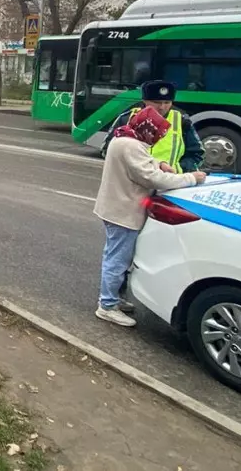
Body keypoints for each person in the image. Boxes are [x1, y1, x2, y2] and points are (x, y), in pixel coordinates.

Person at [93, 104, 207, 327]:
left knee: (116, 257)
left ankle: (113, 299)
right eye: (156, 132)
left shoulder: (123, 137)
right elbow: (152, 178)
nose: (157, 137)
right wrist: (191, 178)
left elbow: (142, 163)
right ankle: (106, 306)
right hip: (123, 210)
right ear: (148, 129)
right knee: (117, 261)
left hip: (114, 207)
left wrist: (160, 163)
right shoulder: (131, 145)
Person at [102, 80, 204, 174]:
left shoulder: (182, 121)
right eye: (157, 102)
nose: (162, 107)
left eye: (167, 102)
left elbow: (196, 154)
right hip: (133, 182)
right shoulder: (127, 119)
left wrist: (178, 169)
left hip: (168, 181)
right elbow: (107, 150)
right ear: (144, 101)